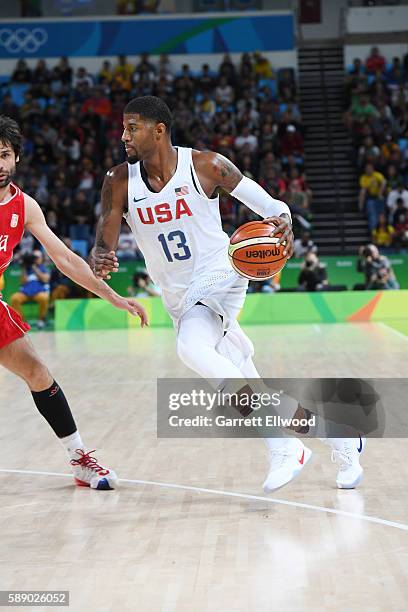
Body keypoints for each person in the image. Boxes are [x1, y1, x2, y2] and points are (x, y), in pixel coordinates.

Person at [91, 96, 365, 491]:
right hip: (180, 298)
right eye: (123, 128)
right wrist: (102, 254)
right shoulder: (119, 181)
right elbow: (106, 234)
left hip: (224, 270)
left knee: (191, 347)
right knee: (253, 389)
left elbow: (273, 206)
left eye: (132, 127)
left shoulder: (206, 166)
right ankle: (340, 438)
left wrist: (284, 222)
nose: (123, 135)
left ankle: (283, 448)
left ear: (159, 130)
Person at [0, 115, 148, 490]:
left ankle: (80, 460)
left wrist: (113, 296)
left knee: (37, 372)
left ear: (16, 157)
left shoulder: (25, 207)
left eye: (3, 155)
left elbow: (65, 260)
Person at [10, 249, 50, 329]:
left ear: (42, 258)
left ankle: (41, 320)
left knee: (44, 298)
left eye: (37, 257)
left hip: (38, 292)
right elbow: (23, 281)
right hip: (25, 292)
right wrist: (24, 267)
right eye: (34, 257)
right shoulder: (26, 268)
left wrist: (34, 268)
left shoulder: (43, 268)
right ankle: (22, 321)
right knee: (14, 298)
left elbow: (45, 279)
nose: (35, 259)